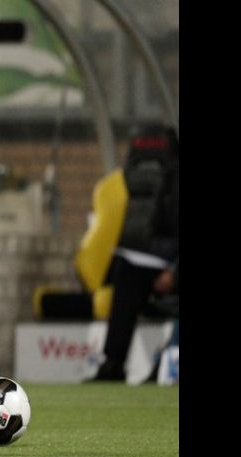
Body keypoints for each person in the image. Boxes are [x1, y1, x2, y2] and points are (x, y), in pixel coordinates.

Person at [92, 125, 179, 381]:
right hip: (168, 261)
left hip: (175, 268)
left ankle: (166, 363)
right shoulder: (169, 179)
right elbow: (159, 225)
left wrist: (174, 273)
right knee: (128, 270)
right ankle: (113, 362)